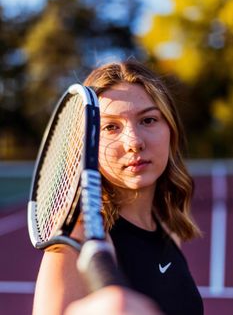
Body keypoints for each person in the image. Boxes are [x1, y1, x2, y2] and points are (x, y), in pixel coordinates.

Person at [32, 60, 204, 315]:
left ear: (171, 129)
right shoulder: (73, 242)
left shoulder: (168, 225)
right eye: (111, 127)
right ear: (86, 144)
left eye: (148, 120)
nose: (134, 142)